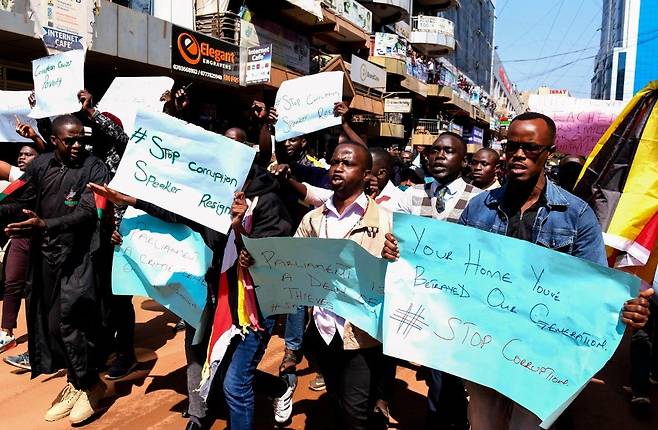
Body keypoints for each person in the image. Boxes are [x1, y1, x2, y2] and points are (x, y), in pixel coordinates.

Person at [382, 112, 654, 430]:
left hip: (541, 359)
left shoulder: (577, 216)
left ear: (549, 152)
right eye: (512, 147)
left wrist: (627, 307)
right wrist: (404, 255)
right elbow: (450, 270)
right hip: (482, 348)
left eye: (531, 148)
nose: (519, 155)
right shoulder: (479, 207)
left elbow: (596, 291)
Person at [245, 142, 392, 430]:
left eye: (347, 164)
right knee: (336, 397)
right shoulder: (313, 219)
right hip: (323, 329)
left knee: (355, 412)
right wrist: (255, 257)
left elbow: (399, 278)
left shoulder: (386, 222)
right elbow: (290, 263)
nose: (337, 168)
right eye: (335, 161)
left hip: (361, 334)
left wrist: (393, 259)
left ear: (366, 175)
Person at [0, 114, 110, 424]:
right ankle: (75, 381)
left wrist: (45, 224)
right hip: (46, 257)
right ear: (55, 140)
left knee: (70, 318)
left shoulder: (94, 167)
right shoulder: (40, 165)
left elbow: (89, 212)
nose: (77, 145)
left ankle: (91, 384)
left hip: (80, 256)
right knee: (49, 325)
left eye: (81, 139)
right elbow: (18, 196)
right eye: (70, 140)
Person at [397, 131, 480, 429]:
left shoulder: (479, 200)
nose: (439, 156)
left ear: (464, 160)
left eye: (448, 151)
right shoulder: (411, 195)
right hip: (424, 302)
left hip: (462, 305)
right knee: (436, 371)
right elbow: (397, 238)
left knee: (456, 374)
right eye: (434, 151)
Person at [0, 140, 40, 355]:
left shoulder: (42, 177)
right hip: (19, 238)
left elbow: (17, 206)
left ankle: (39, 338)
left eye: (28, 154)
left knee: (36, 290)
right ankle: (6, 333)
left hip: (41, 240)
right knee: (11, 283)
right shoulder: (18, 180)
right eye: (20, 154)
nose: (22, 157)